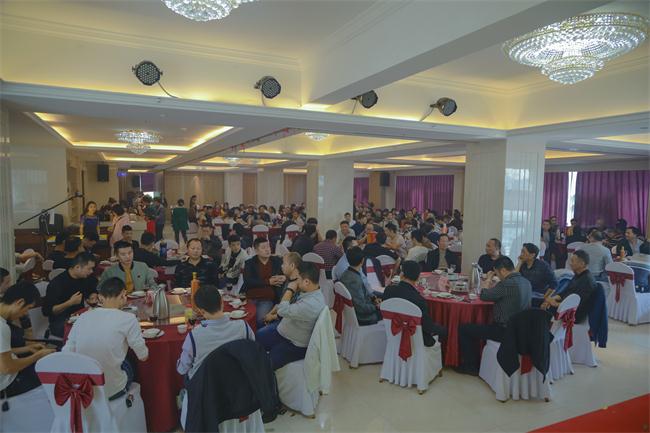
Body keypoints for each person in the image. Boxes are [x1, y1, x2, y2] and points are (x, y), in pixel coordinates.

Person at [63, 277, 148, 399]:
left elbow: (67, 352)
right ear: (123, 295)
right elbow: (143, 356)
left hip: (82, 387)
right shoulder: (128, 319)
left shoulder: (82, 317)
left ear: (100, 297)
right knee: (129, 361)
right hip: (113, 389)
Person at [457, 257, 532, 375]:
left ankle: (470, 366)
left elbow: (484, 295)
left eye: (497, 273)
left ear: (503, 270)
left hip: (505, 331)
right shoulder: (526, 282)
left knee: (464, 329)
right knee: (479, 327)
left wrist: (488, 279)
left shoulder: (506, 284)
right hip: (522, 329)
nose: (498, 276)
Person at [0, 282, 55, 431]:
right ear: (19, 302)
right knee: (48, 376)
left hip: (9, 369)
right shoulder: (2, 327)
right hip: (8, 383)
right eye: (27, 309)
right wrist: (37, 355)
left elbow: (3, 353)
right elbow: (7, 367)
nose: (25, 314)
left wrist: (26, 348)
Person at [256, 262, 326, 370]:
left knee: (268, 363)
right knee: (258, 335)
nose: (295, 282)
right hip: (285, 329)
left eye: (297, 279)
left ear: (306, 282)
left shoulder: (311, 304)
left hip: (294, 343)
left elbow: (282, 310)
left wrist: (290, 289)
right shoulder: (309, 291)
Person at [177, 285, 254, 380]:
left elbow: (182, 369)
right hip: (239, 381)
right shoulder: (243, 327)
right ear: (222, 302)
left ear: (201, 311)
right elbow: (253, 352)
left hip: (205, 386)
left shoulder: (195, 335)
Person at [383, 261, 447, 346]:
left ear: (401, 275)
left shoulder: (388, 290)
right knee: (444, 331)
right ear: (418, 278)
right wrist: (444, 330)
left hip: (392, 334)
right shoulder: (418, 300)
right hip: (415, 342)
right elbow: (428, 327)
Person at [43, 252, 98, 338]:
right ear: (77, 267)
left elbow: (92, 288)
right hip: (59, 322)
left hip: (79, 316)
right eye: (89, 269)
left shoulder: (85, 278)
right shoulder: (57, 283)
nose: (91, 271)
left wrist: (92, 295)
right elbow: (48, 311)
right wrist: (69, 303)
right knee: (90, 333)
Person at [541, 250, 597, 324]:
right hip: (566, 304)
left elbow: (578, 304)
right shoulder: (578, 275)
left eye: (573, 261)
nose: (570, 263)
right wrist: (552, 299)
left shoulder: (587, 281)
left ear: (582, 264)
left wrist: (555, 304)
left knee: (541, 312)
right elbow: (565, 292)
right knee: (542, 304)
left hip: (574, 313)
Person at [242, 238, 285, 327]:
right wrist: (268, 282)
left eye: (268, 246)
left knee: (260, 320)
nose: (267, 249)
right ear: (256, 251)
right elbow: (248, 281)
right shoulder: (250, 263)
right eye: (263, 247)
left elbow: (289, 273)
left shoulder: (277, 261)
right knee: (245, 318)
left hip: (267, 299)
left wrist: (284, 277)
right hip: (251, 297)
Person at [339, 247, 381, 325]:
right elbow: (361, 307)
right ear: (362, 260)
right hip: (363, 317)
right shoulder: (355, 280)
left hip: (352, 314)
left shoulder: (345, 274)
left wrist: (373, 299)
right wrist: (376, 307)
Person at [262, 253, 302, 325]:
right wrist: (270, 313)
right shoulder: (289, 279)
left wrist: (272, 317)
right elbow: (281, 304)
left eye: (284, 263)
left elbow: (289, 311)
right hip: (281, 313)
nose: (281, 266)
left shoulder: (297, 285)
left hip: (288, 322)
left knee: (260, 330)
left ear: (292, 266)